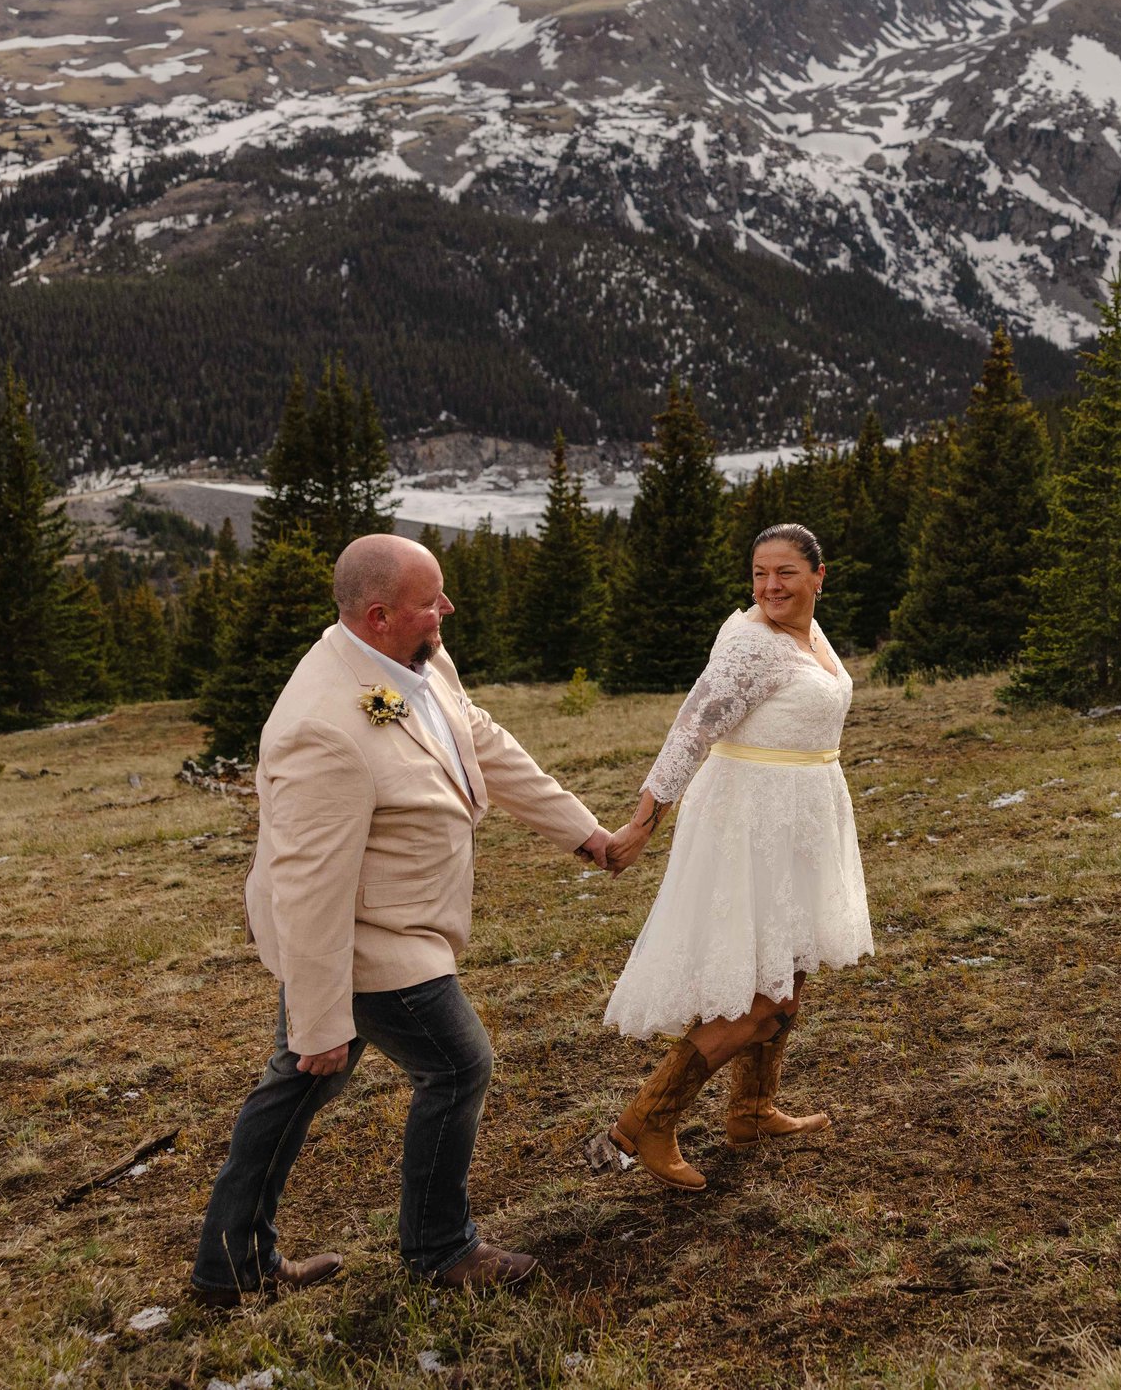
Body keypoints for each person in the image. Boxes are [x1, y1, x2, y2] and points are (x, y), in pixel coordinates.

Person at [190, 534, 609, 1305]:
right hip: (368, 943)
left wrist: (582, 830)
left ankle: (230, 1265)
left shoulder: (414, 660)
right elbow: (307, 886)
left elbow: (478, 738)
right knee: (457, 1065)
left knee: (294, 1089)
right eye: (432, 600)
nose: (447, 609)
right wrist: (319, 1017)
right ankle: (441, 1248)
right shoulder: (321, 725)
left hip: (392, 928)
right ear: (379, 614)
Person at [586, 523, 873, 1189]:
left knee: (792, 971)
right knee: (761, 995)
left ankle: (751, 1109)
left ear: (818, 576)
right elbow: (691, 732)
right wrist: (640, 825)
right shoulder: (751, 642)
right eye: (759, 574)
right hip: (752, 826)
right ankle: (643, 1122)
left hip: (802, 819)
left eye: (786, 573)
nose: (770, 586)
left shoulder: (810, 633)